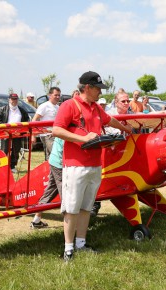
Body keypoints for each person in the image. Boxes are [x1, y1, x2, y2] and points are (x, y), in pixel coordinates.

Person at [52, 71, 131, 261]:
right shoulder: (69, 105)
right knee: (71, 208)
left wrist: (124, 129)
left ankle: (81, 243)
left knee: (86, 206)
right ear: (87, 88)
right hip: (75, 166)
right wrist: (82, 138)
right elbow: (56, 129)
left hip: (95, 165)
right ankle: (68, 249)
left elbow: (108, 120)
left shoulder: (96, 107)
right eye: (97, 89)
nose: (100, 93)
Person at [30, 137, 64, 228]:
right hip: (60, 162)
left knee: (51, 189)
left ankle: (36, 220)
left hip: (55, 160)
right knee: (65, 194)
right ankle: (71, 226)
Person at [0, 93, 29, 173]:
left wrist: (22, 131)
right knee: (4, 150)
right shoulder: (2, 109)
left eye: (16, 99)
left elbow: (26, 120)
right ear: (9, 99)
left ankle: (12, 166)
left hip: (17, 133)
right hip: (6, 133)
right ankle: (2, 167)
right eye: (12, 99)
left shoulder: (22, 110)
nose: (14, 101)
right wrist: (5, 129)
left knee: (16, 150)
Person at [31, 87, 61, 161]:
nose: (57, 97)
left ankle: (49, 171)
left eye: (59, 95)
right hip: (47, 135)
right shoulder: (44, 106)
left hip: (56, 134)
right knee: (55, 155)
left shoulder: (58, 107)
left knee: (51, 156)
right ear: (50, 95)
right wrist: (33, 135)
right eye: (55, 95)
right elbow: (34, 120)